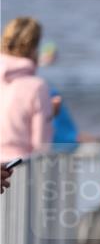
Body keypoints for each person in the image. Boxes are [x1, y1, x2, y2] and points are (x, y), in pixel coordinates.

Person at [0, 17, 53, 161]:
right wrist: (49, 116)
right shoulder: (37, 87)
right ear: (34, 47)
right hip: (18, 168)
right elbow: (40, 145)